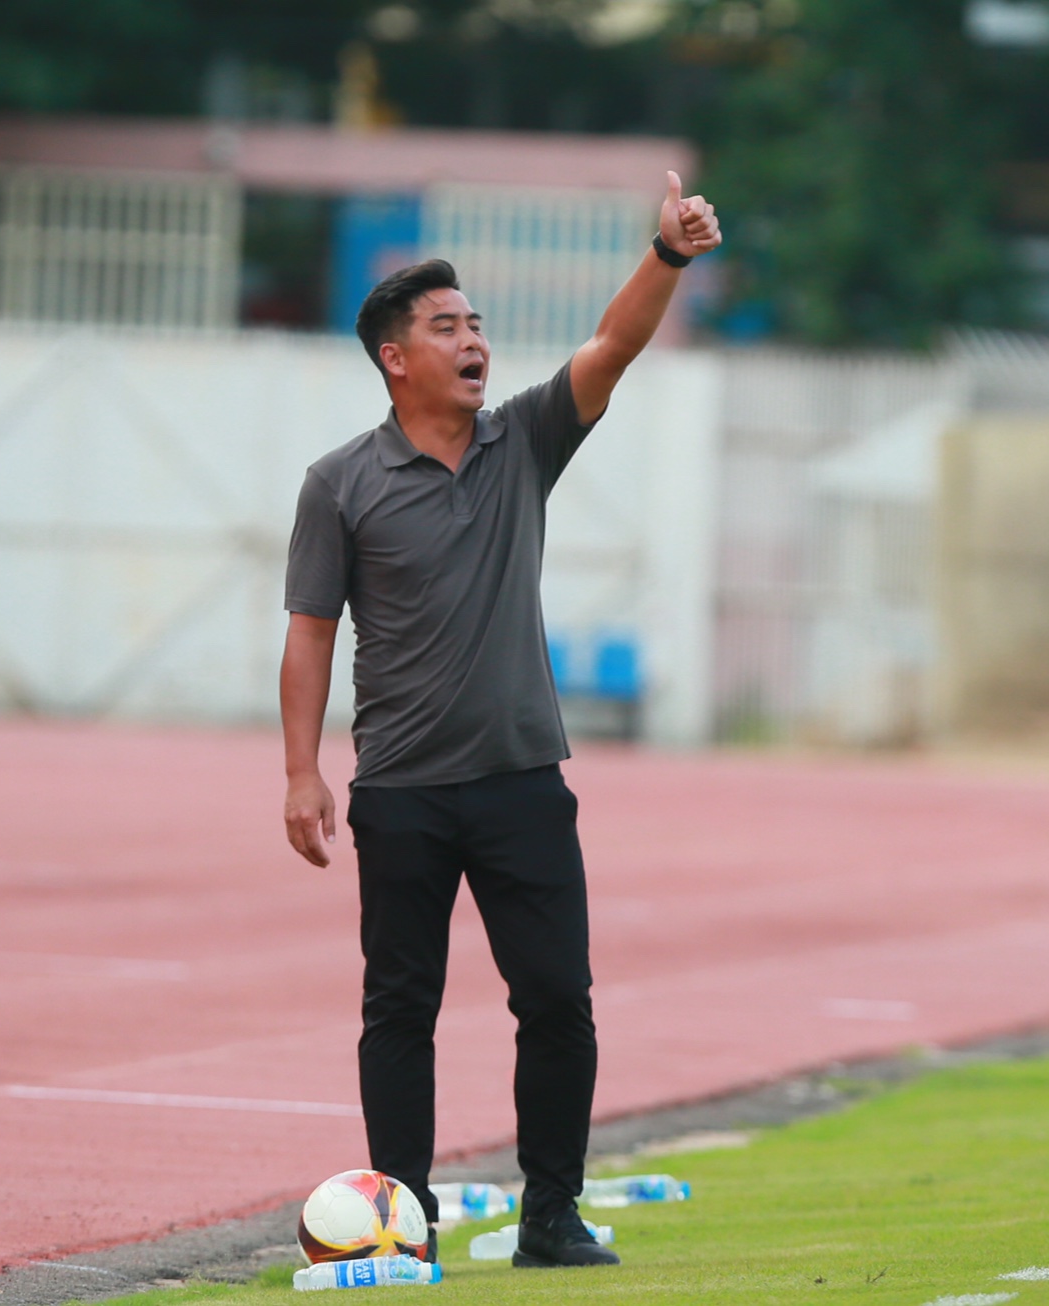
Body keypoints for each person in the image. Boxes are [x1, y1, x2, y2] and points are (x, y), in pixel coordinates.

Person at [278, 173, 721, 1270]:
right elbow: (309, 634)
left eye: (475, 323)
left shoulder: (522, 441)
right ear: (396, 357)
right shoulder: (339, 484)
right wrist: (301, 773)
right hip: (402, 791)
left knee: (559, 1001)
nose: (474, 339)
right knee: (399, 1011)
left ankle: (551, 1216)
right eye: (448, 327)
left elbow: (613, 347)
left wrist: (664, 256)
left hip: (525, 779)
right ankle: (405, 1224)